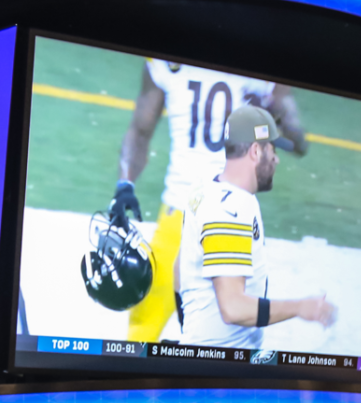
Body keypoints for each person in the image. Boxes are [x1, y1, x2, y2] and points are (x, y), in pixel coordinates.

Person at [112, 60, 307, 343]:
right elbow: (297, 140)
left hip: (193, 213)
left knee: (147, 330)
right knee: (226, 333)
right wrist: (273, 110)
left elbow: (139, 132)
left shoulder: (166, 64)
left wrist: (124, 185)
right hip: (221, 217)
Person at [177, 105, 336, 350]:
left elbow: (178, 270)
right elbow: (233, 308)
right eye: (272, 150)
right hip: (221, 362)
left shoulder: (206, 187)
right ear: (255, 151)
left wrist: (190, 337)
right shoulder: (229, 210)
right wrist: (300, 307)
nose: (276, 159)